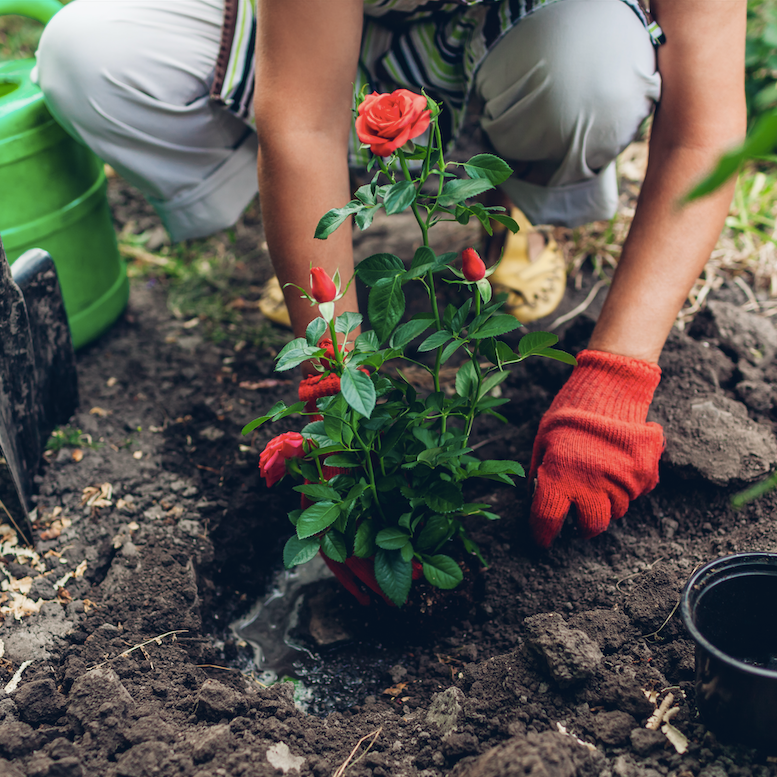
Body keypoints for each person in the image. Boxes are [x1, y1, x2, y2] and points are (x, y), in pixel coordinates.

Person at [36, 0, 746, 546]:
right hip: (310, 28)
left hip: (520, 35)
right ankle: (316, 244)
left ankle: (509, 211)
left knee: (592, 71)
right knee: (90, 55)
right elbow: (303, 120)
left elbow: (704, 131)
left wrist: (615, 378)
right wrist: (335, 389)